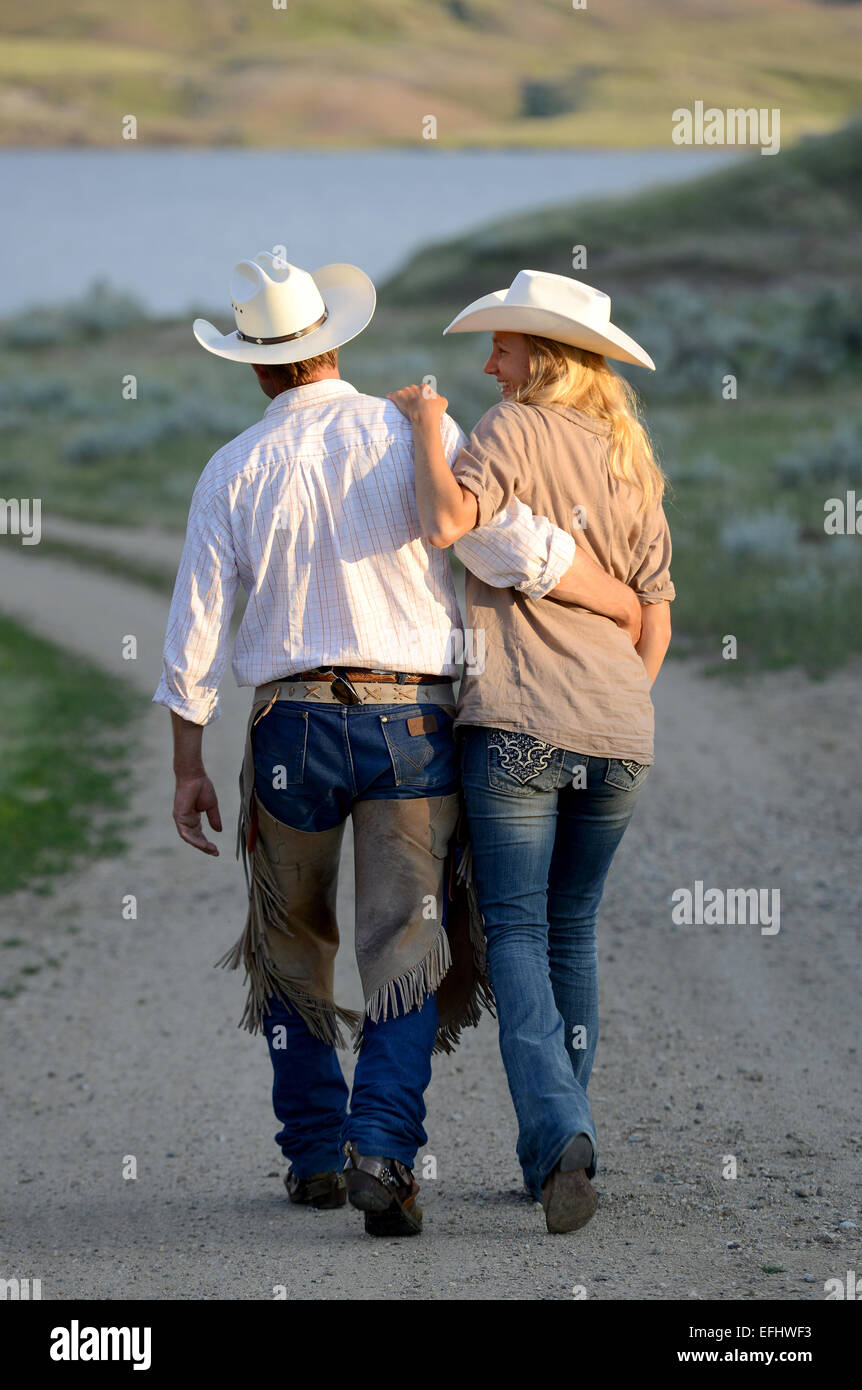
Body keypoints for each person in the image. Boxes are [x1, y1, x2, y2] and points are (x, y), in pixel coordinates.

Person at [154, 253, 643, 1237]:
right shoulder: (407, 430)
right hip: (411, 725)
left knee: (291, 942)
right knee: (406, 948)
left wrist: (185, 763)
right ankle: (381, 1145)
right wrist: (616, 597)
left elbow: (194, 631)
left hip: (289, 723)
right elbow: (500, 538)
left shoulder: (233, 467)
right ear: (333, 343)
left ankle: (312, 1155)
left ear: (255, 367)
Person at [388, 269, 674, 1234]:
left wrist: (429, 423)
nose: (487, 362)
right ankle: (555, 1148)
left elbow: (442, 522)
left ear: (539, 357)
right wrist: (617, 702)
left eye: (501, 347)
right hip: (620, 731)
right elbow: (657, 621)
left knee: (513, 930)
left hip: (516, 722)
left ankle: (560, 1137)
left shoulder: (506, 430)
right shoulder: (635, 462)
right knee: (573, 930)